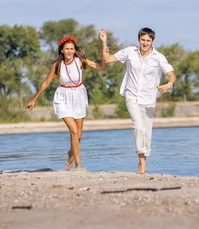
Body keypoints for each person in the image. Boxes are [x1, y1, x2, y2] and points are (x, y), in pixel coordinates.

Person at [99, 27, 176, 174]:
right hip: (132, 95)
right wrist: (104, 42)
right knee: (138, 127)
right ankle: (141, 163)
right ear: (139, 39)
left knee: (146, 132)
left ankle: (143, 160)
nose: (145, 43)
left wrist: (168, 85)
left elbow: (171, 75)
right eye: (142, 40)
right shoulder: (130, 52)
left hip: (149, 99)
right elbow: (107, 60)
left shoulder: (158, 57)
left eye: (148, 40)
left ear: (152, 41)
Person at [26, 36, 106, 171]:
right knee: (74, 131)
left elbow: (102, 67)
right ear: (62, 50)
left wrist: (104, 46)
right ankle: (78, 166)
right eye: (67, 49)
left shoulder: (80, 61)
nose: (69, 51)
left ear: (75, 50)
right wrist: (34, 99)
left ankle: (71, 154)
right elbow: (46, 82)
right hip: (62, 97)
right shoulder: (57, 65)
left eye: (71, 49)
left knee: (78, 135)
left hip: (79, 96)